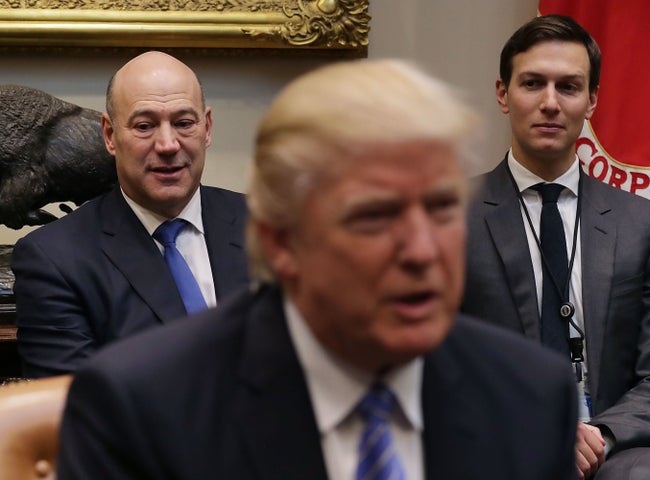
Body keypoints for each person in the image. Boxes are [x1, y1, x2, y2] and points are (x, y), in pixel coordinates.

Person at [57, 59, 578, 480]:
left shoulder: (530, 396)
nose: (423, 251)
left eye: (442, 208)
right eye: (375, 216)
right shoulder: (141, 408)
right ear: (282, 241)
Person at [461, 14, 650, 480]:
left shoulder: (641, 222)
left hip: (615, 445)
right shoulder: (449, 215)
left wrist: (599, 437)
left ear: (591, 101)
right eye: (533, 83)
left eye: (568, 87)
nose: (550, 103)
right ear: (503, 94)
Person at [11, 51, 250, 378]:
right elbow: (71, 407)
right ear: (109, 135)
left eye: (183, 123)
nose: (167, 144)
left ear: (206, 128)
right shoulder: (55, 259)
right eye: (144, 125)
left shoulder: (272, 226)